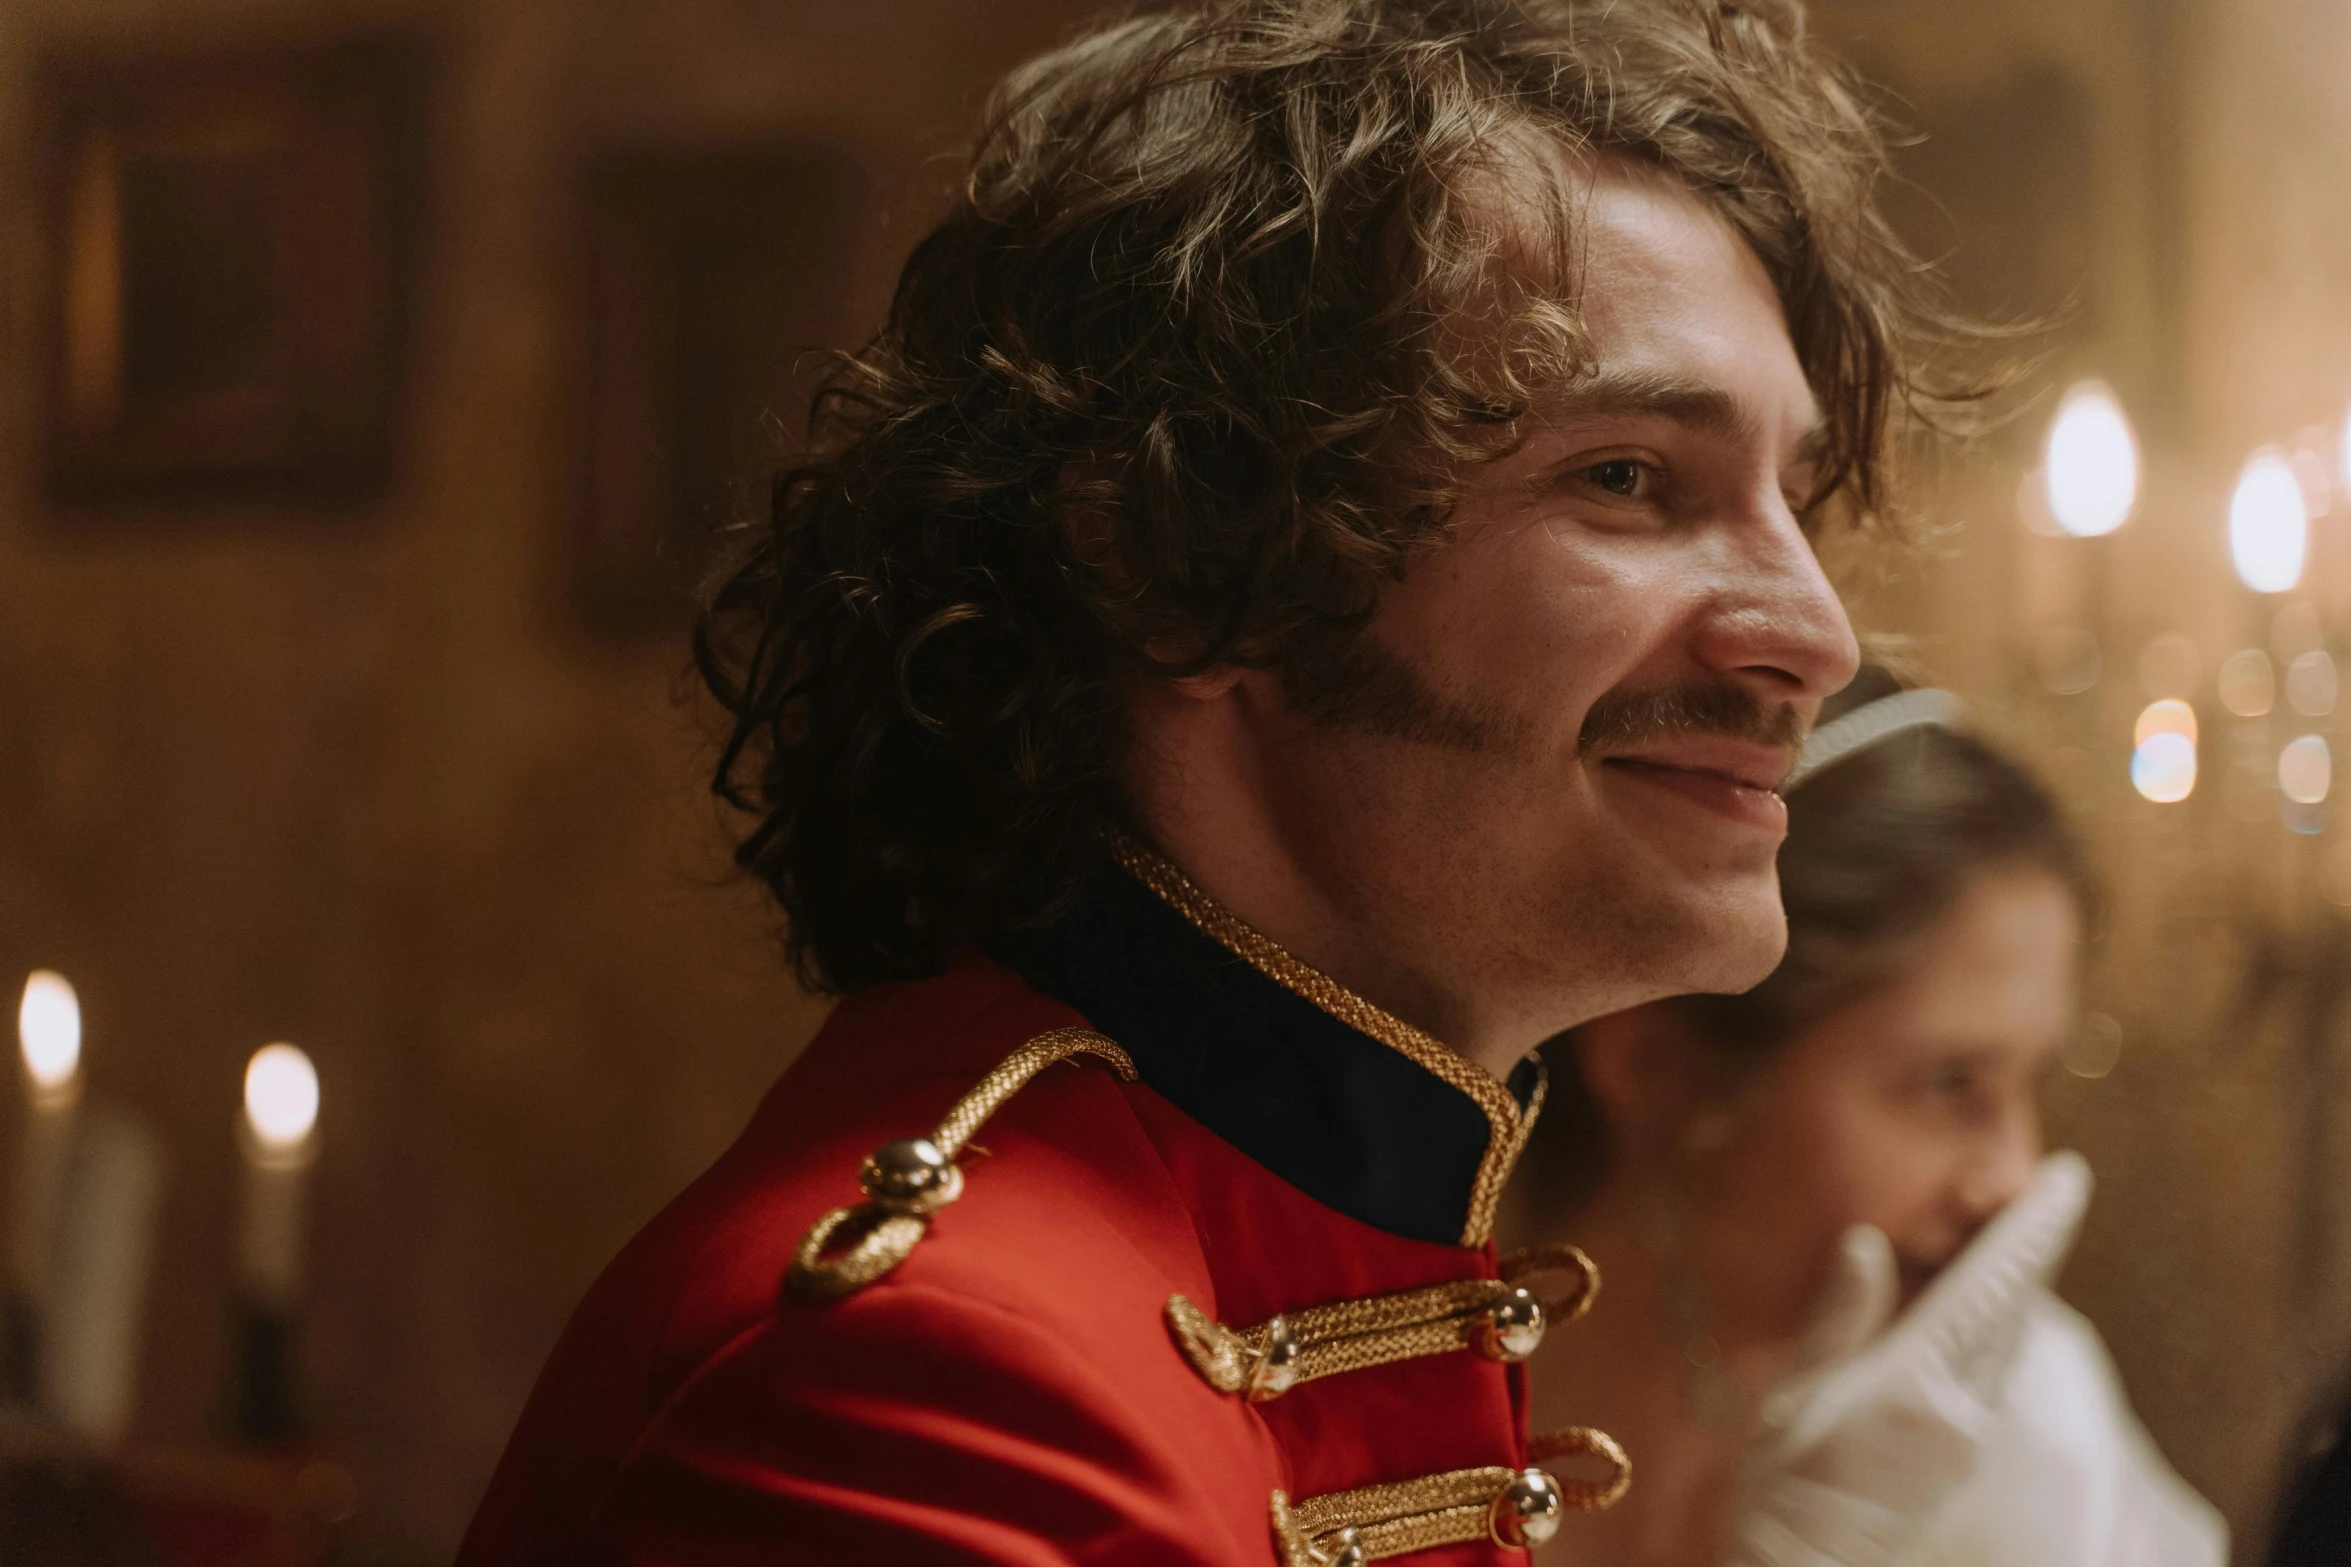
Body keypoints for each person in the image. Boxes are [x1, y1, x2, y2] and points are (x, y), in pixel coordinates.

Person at [456, 1, 1958, 1560]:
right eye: (1627, 477)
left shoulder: (1327, 1223)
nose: (1816, 636)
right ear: (1184, 557)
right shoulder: (925, 1377)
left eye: (1788, 495)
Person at [1517, 668, 2228, 1566]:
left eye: (2030, 1083)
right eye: (1947, 1083)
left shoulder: (2019, 1428)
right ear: (1660, 1065)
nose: (2012, 1175)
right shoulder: (1405, 1377)